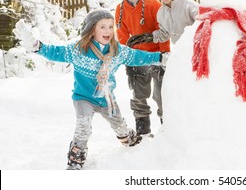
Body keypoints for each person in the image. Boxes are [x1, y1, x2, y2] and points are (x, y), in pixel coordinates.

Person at [16, 9, 168, 170]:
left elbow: (138, 56)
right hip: (83, 97)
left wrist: (160, 57)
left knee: (119, 125)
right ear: (92, 29)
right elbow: (55, 53)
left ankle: (127, 138)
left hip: (106, 98)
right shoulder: (79, 50)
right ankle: (76, 156)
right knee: (84, 125)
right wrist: (36, 46)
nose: (108, 31)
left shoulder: (118, 51)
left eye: (110, 27)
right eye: (102, 27)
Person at [115, 0, 170, 136]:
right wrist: (127, 57)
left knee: (161, 94)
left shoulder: (153, 4)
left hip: (156, 55)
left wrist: (164, 54)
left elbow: (162, 30)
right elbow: (122, 34)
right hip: (136, 57)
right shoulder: (120, 9)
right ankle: (143, 129)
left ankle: (166, 126)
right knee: (139, 94)